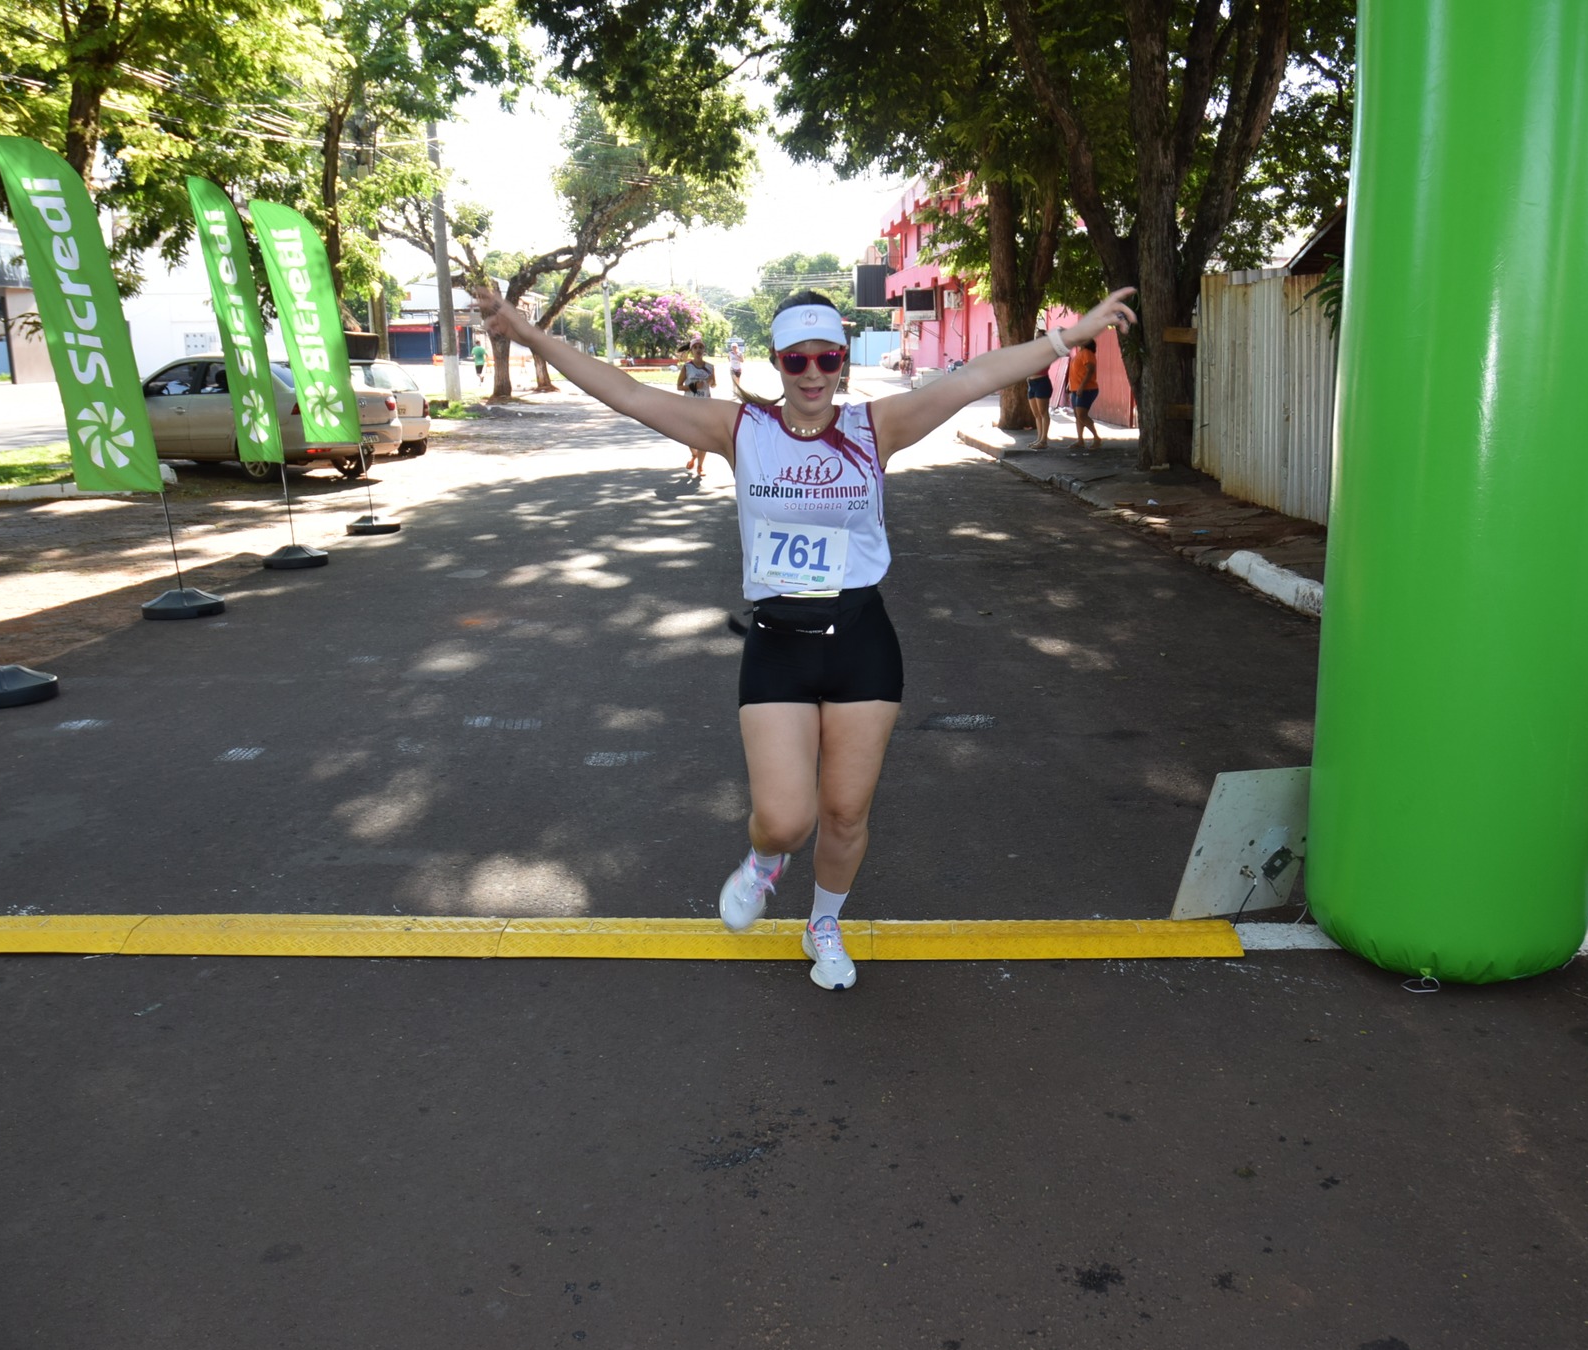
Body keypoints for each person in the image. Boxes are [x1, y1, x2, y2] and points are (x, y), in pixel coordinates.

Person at [476, 282, 1138, 990]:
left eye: (828, 358)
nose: (815, 373)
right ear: (777, 362)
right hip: (779, 644)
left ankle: (823, 923)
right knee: (786, 819)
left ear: (845, 361)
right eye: (798, 361)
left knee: (846, 812)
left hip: (860, 640)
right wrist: (531, 334)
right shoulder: (740, 431)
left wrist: (1069, 337)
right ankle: (765, 863)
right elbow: (626, 394)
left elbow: (973, 375)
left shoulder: (873, 428)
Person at [676, 339, 715, 476]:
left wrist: (711, 381)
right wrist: (693, 386)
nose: (698, 350)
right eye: (696, 347)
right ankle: (694, 455)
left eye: (701, 347)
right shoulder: (687, 367)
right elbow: (679, 386)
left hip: (705, 405)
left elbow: (714, 384)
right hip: (689, 405)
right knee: (690, 437)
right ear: (692, 350)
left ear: (703, 350)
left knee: (704, 437)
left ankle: (700, 466)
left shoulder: (710, 367)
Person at [1065, 338, 1101, 450]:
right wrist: (1070, 385)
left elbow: (1090, 370)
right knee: (1077, 415)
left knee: (1081, 415)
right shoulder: (1079, 353)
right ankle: (1080, 440)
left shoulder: (1087, 353)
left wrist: (1081, 386)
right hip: (1076, 389)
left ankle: (1096, 438)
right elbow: (1076, 372)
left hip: (1087, 389)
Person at [1025, 330, 1054, 450]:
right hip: (1032, 383)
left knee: (1043, 412)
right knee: (1036, 414)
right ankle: (1039, 438)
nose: (1037, 339)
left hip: (1042, 382)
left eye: (1040, 337)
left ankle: (1044, 440)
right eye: (1036, 337)